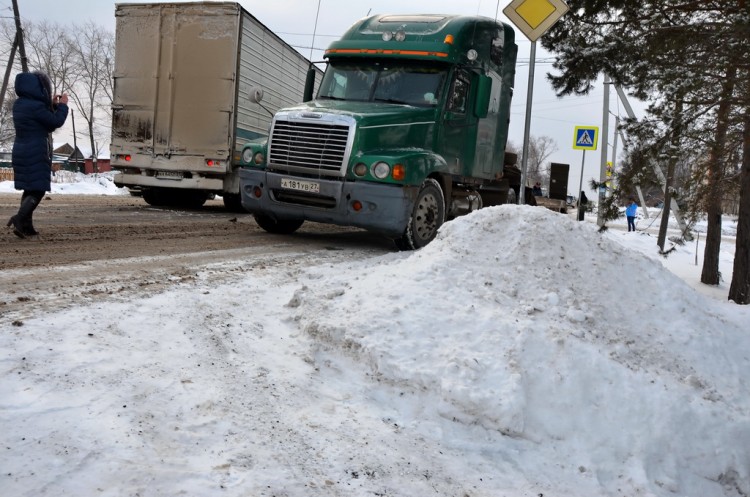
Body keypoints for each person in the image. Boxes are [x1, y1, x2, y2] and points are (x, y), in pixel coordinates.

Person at [6, 71, 69, 238]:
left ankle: (26, 226)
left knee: (30, 188)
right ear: (39, 88)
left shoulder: (20, 104)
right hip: (34, 150)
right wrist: (62, 106)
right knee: (39, 189)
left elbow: (42, 123)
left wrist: (52, 106)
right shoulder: (36, 106)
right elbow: (54, 122)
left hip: (21, 149)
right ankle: (20, 219)